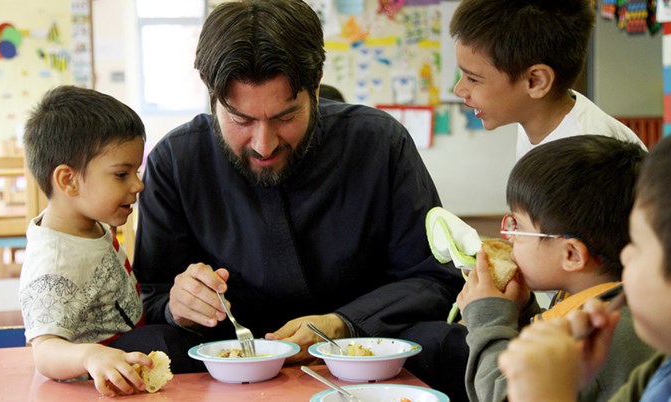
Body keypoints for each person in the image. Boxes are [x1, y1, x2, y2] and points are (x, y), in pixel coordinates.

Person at [132, 0, 463, 373]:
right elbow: (152, 293)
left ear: (316, 86)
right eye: (240, 119)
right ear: (211, 95)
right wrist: (179, 304)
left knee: (450, 343)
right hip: (227, 357)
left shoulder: (379, 143)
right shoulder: (177, 161)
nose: (264, 144)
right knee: (146, 345)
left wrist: (342, 324)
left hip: (359, 350)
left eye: (285, 117)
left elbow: (434, 279)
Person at [404, 136, 654, 402]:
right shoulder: (596, 299)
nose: (508, 236)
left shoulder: (602, 335)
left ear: (571, 255)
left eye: (519, 227)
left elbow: (505, 396)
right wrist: (523, 311)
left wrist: (489, 319)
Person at [498, 134, 671, 402]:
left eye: (638, 243)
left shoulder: (621, 334)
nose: (624, 254)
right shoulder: (663, 366)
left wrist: (547, 394)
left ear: (572, 253)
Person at [19, 85, 151, 397]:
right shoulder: (54, 262)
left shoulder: (89, 226)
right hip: (87, 388)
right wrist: (91, 356)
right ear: (68, 180)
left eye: (137, 170)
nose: (138, 184)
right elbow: (44, 351)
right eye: (122, 174)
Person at [450, 0, 646, 161]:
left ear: (536, 82)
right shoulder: (537, 116)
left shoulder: (587, 160)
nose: (459, 90)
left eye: (473, 79)